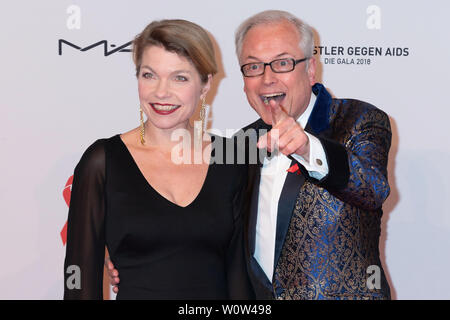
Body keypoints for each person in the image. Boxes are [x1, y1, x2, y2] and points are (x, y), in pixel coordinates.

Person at [107, 10, 392, 300]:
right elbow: (204, 231)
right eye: (253, 67)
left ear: (310, 69)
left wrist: (307, 147)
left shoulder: (359, 121)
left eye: (282, 63)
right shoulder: (239, 146)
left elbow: (373, 188)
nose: (267, 79)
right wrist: (126, 251)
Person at [63, 19, 253, 300]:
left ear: (205, 85)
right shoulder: (102, 161)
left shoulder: (232, 158)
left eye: (180, 77)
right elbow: (78, 278)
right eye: (149, 75)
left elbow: (240, 276)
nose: (161, 92)